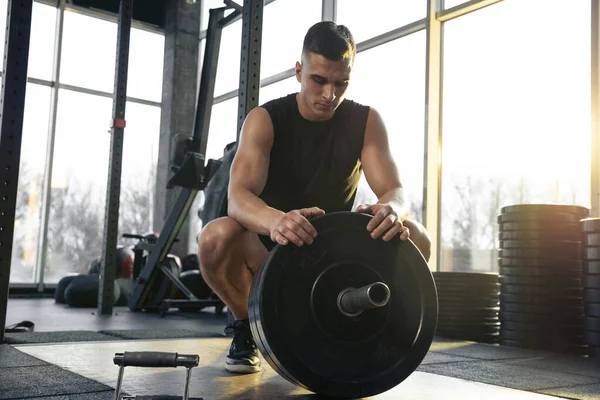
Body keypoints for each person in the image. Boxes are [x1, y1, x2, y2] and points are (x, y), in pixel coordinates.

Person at [197, 21, 432, 374]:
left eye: (340, 83)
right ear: (298, 71)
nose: (329, 94)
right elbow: (238, 198)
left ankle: (368, 327)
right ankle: (247, 324)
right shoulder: (265, 119)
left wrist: (392, 209)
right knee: (215, 238)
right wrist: (278, 220)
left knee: (417, 236)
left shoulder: (365, 121)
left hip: (333, 252)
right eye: (318, 80)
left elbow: (395, 190)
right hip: (269, 249)